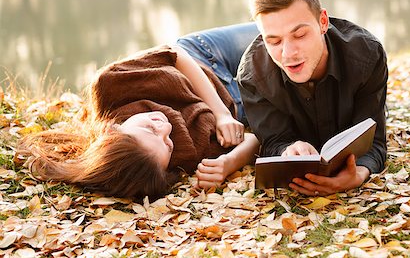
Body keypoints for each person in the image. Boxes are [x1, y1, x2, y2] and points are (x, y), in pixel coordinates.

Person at [19, 23, 260, 200]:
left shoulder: (109, 85)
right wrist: (229, 162)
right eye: (167, 144)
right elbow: (252, 139)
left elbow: (175, 54)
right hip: (240, 101)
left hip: (205, 56)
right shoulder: (184, 154)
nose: (165, 127)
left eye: (149, 128)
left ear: (113, 130)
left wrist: (221, 115)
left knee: (282, 31)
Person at [237, 0, 388, 197]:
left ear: (323, 22)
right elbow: (273, 142)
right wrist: (287, 150)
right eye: (274, 41)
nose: (288, 54)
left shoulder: (367, 56)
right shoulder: (252, 76)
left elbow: (375, 139)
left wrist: (358, 174)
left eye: (299, 35)